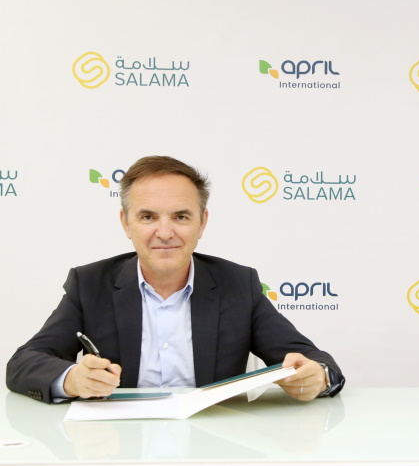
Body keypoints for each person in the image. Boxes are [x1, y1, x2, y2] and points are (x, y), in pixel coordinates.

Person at [7, 156, 344, 403]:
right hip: (118, 447)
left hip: (214, 445)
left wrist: (316, 376)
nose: (165, 232)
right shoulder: (90, 284)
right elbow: (23, 363)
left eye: (181, 217)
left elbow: (312, 359)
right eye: (148, 217)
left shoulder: (238, 284)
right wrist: (72, 379)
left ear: (202, 222)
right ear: (125, 223)